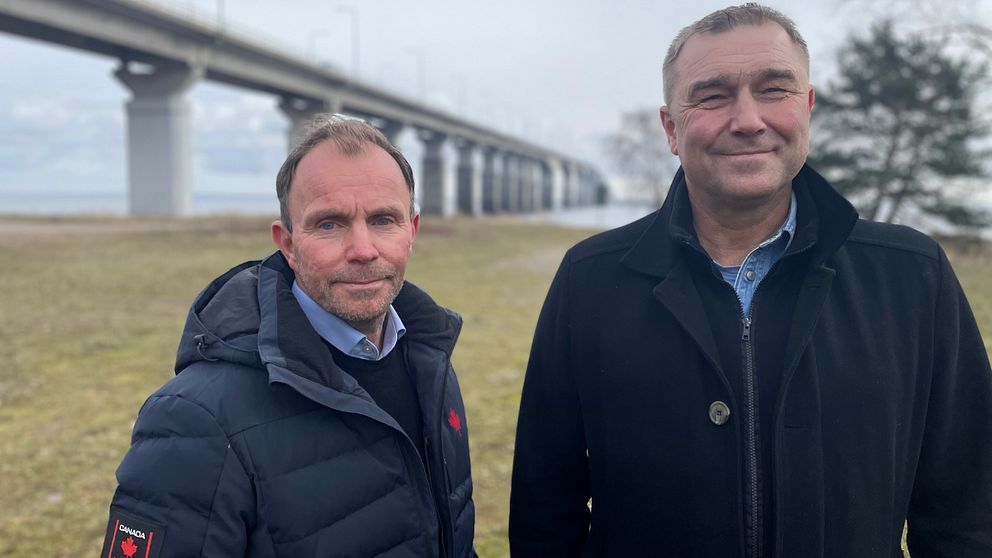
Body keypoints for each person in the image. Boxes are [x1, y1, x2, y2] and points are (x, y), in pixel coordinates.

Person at [509, 3, 992, 556]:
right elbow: (545, 511)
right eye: (712, 95)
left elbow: (966, 510)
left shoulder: (912, 277)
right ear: (670, 127)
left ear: (807, 107)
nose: (747, 120)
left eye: (773, 89)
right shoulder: (590, 281)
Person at [102, 116, 475, 558]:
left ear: (411, 232)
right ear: (288, 244)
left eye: (383, 220)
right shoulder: (195, 422)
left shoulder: (430, 365)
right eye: (329, 224)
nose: (362, 249)